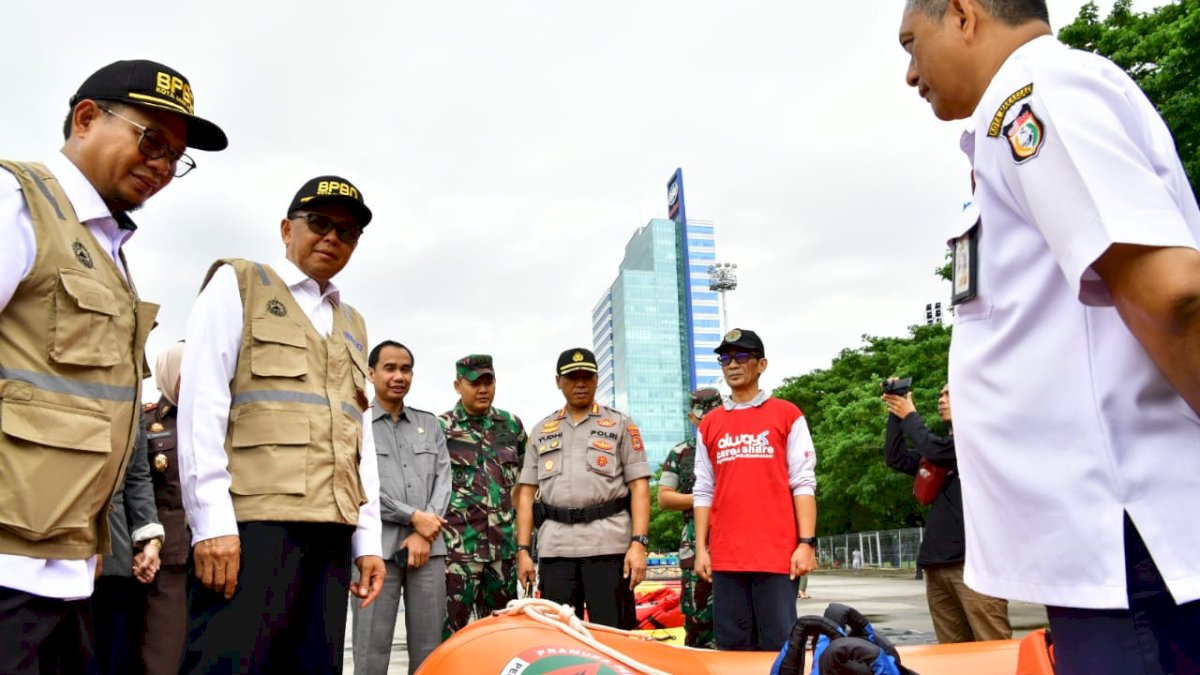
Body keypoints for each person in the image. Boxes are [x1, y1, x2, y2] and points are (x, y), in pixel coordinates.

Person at [899, 1, 1200, 671]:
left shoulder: (1038, 94)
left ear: (963, 14)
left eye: (913, 44)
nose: (910, 72)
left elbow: (1173, 295)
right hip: (1106, 551)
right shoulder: (1016, 113)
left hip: (1130, 540)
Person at [0, 59, 226, 673]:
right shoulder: (17, 202)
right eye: (150, 139)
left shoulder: (108, 251)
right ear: (85, 118)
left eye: (175, 155)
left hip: (66, 572)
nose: (161, 165)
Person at [177, 176, 385, 674]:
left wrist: (368, 542)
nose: (333, 237)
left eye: (348, 231)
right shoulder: (241, 284)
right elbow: (202, 406)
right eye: (319, 223)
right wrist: (211, 526)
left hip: (331, 533)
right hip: (252, 530)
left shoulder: (353, 323)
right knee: (229, 664)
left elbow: (362, 440)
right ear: (286, 228)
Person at [693, 328, 817, 651]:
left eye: (742, 356)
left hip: (776, 556)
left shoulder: (787, 415)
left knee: (779, 648)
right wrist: (702, 548)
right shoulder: (710, 424)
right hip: (726, 558)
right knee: (733, 650)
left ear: (761, 365)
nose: (732, 364)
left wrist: (806, 543)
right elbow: (704, 489)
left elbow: (803, 482)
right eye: (725, 358)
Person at [515, 348, 651, 629]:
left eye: (586, 376)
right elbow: (526, 493)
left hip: (608, 546)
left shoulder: (620, 424)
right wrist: (523, 551)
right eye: (572, 377)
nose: (580, 383)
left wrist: (639, 544)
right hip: (556, 549)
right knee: (557, 638)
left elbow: (639, 487)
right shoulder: (542, 430)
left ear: (597, 379)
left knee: (615, 634)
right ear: (558, 381)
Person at [882, 381, 1010, 643]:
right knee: (952, 652)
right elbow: (895, 457)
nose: (941, 399)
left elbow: (934, 449)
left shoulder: (979, 442)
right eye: (940, 394)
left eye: (949, 394)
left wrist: (910, 414)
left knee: (993, 646)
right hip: (937, 566)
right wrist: (896, 411)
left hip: (974, 566)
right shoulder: (939, 453)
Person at [352, 341, 451, 675]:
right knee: (370, 650)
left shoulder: (430, 424)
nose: (398, 376)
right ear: (371, 372)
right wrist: (412, 517)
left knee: (429, 652)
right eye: (389, 368)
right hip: (374, 551)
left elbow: (444, 481)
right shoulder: (357, 423)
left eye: (405, 369)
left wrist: (426, 531)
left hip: (429, 551)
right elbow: (357, 485)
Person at [438, 354, 528, 637]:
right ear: (458, 385)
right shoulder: (441, 428)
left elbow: (523, 485)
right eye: (474, 383)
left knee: (502, 636)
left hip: (502, 555)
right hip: (457, 555)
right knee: (450, 636)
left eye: (488, 382)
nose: (483, 389)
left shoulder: (511, 426)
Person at [89, 417, 164, 675]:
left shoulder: (132, 393)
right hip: (54, 549)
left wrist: (149, 541)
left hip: (114, 558)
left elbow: (137, 476)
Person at [138, 341, 190, 675]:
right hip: (167, 559)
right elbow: (138, 488)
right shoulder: (148, 424)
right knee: (163, 658)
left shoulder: (228, 421)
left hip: (224, 559)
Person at [658, 387, 723, 648]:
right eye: (702, 417)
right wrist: (705, 498)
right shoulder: (681, 453)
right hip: (695, 542)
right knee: (697, 618)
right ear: (692, 417)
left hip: (735, 538)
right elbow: (665, 497)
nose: (708, 421)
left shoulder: (738, 445)